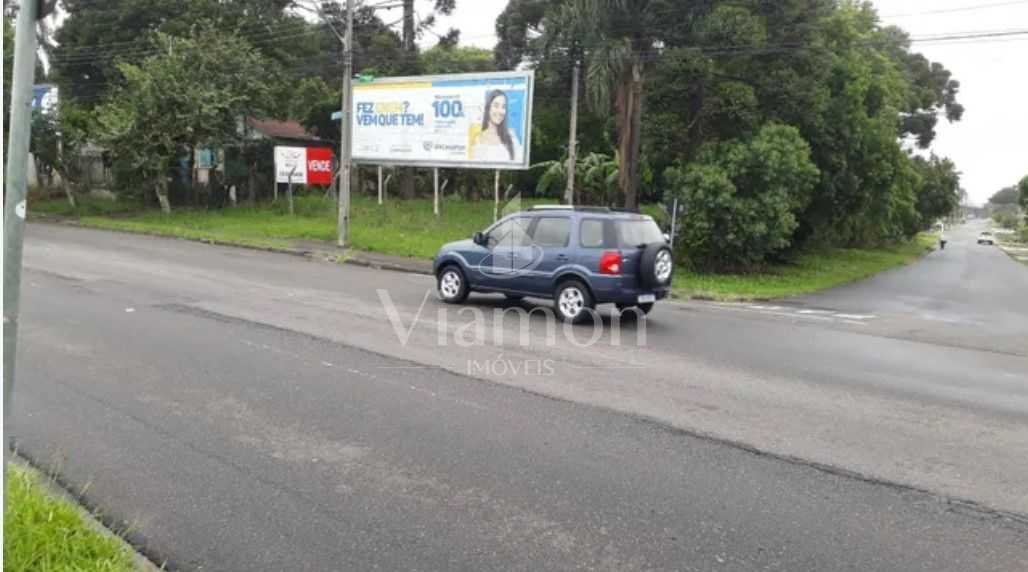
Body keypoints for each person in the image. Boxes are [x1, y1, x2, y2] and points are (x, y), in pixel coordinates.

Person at [469, 89, 523, 163]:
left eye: (503, 107)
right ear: (488, 108)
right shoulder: (478, 139)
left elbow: (519, 160)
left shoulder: (511, 135)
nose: (500, 111)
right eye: (496, 106)